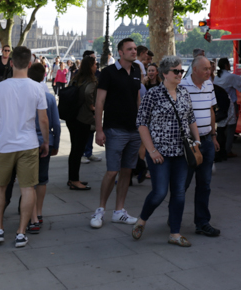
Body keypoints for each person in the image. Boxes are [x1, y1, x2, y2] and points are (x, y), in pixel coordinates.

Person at [131, 56, 200, 247]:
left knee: (179, 193)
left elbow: (191, 118)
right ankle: (142, 219)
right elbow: (142, 124)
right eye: (176, 71)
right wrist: (151, 150)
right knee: (160, 192)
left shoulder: (184, 93)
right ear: (164, 74)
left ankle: (175, 233)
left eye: (181, 71)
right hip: (159, 153)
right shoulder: (153, 94)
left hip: (182, 153)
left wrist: (197, 141)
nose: (180, 74)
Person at [0, 46, 49, 248]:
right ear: (30, 64)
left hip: (4, 143)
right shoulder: (37, 88)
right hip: (28, 144)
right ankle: (21, 232)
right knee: (28, 188)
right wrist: (46, 142)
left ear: (11, 63)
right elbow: (43, 120)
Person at [3, 62, 60, 234]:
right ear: (44, 76)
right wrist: (54, 143)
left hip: (22, 141)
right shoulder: (48, 97)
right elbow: (55, 124)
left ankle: (27, 212)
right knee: (41, 180)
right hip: (43, 141)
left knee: (26, 182)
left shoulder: (18, 94)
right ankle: (38, 213)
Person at [90, 38, 141, 228]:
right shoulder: (108, 73)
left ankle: (119, 210)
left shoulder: (137, 71)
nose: (134, 52)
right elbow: (100, 103)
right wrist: (99, 130)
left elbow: (137, 99)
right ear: (120, 52)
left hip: (134, 130)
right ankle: (100, 210)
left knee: (127, 171)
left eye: (135, 49)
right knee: (112, 171)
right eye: (130, 49)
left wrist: (142, 125)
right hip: (114, 129)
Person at [179, 55, 220, 237]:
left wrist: (213, 135)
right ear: (194, 70)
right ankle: (175, 218)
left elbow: (211, 110)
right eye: (205, 69)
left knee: (205, 184)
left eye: (209, 69)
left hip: (207, 141)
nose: (209, 72)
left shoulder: (209, 85)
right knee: (183, 184)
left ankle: (202, 222)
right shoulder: (182, 86)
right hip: (189, 143)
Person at [66, 56, 97, 190]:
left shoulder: (76, 78)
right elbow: (88, 93)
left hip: (71, 116)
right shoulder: (91, 80)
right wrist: (92, 107)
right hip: (83, 118)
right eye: (95, 64)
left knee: (74, 150)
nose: (96, 66)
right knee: (78, 150)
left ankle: (72, 178)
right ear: (90, 66)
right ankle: (74, 180)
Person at [213, 58, 241, 161]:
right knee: (231, 128)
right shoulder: (230, 76)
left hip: (220, 105)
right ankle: (228, 150)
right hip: (230, 104)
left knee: (222, 128)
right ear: (227, 65)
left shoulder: (217, 77)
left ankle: (221, 149)